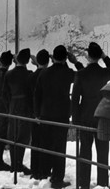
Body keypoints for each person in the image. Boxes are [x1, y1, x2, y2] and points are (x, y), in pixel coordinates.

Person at [34, 45, 84, 189]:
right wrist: (73, 61)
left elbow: (37, 94)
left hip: (45, 114)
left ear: (53, 58)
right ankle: (57, 178)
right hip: (61, 115)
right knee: (59, 147)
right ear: (64, 58)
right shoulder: (68, 73)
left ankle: (44, 173)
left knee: (46, 144)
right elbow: (82, 74)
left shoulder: (43, 73)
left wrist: (37, 114)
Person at [72, 42, 110, 189]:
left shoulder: (81, 74)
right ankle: (102, 184)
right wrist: (104, 56)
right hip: (102, 116)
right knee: (103, 151)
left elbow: (75, 99)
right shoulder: (105, 72)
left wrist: (75, 119)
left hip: (85, 116)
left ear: (88, 56)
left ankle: (83, 184)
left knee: (85, 151)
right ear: (99, 56)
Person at [3, 47, 33, 174]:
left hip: (13, 105)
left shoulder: (8, 74)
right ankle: (18, 164)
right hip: (25, 107)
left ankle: (14, 164)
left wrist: (9, 105)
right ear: (27, 61)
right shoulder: (29, 74)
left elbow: (5, 94)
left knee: (13, 134)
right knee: (23, 136)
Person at [29, 49, 50, 180]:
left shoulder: (31, 76)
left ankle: (35, 169)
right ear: (48, 61)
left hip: (34, 112)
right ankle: (44, 170)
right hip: (46, 113)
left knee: (35, 142)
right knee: (46, 143)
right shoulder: (49, 75)